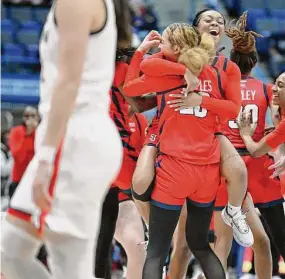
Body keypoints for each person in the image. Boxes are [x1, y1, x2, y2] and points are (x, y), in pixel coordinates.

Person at [1, 1, 131, 279]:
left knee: (70, 270)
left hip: (75, 141)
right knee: (9, 251)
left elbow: (69, 81)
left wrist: (46, 159)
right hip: (73, 137)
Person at [123, 24, 232, 279]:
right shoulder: (214, 73)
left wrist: (140, 52)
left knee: (157, 252)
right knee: (201, 245)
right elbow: (230, 110)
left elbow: (129, 87)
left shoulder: (162, 75)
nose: (160, 46)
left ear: (178, 49)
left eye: (165, 43)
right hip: (207, 171)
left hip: (175, 170)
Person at [210, 12, 285, 279]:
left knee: (222, 239)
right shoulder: (267, 89)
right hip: (258, 164)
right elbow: (279, 122)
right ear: (254, 63)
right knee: (273, 235)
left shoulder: (221, 88)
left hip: (228, 166)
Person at [8, 106, 39, 200]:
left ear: (37, 117)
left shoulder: (40, 132)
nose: (29, 119)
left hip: (35, 179)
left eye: (33, 116)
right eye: (27, 116)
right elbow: (17, 155)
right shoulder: (16, 132)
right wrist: (28, 134)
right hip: (19, 178)